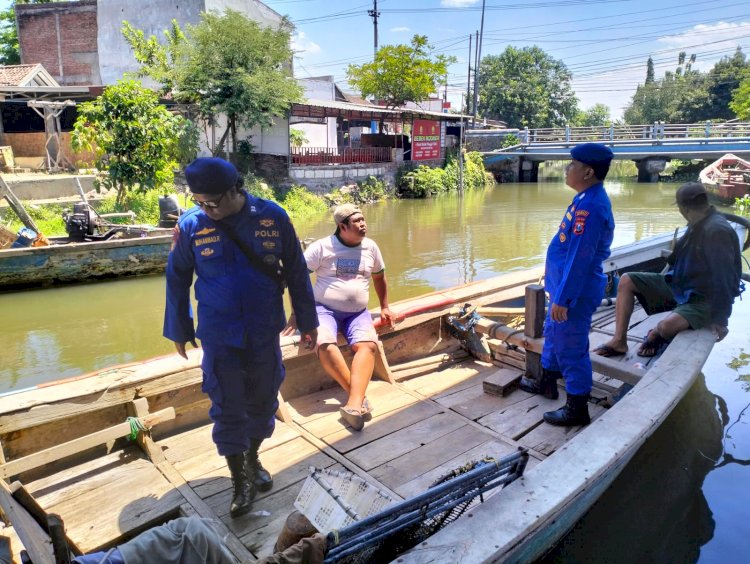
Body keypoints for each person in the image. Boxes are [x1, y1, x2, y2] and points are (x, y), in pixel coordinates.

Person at [164, 157, 318, 518]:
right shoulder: (190, 226)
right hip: (219, 334)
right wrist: (179, 328)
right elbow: (177, 278)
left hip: (265, 329)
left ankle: (252, 458)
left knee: (264, 400)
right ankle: (240, 481)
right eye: (200, 202)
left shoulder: (273, 217)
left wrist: (308, 321)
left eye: (214, 202)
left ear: (237, 188)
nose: (208, 210)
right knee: (227, 404)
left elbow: (296, 270)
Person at [520, 143, 615, 427]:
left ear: (588, 171)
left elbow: (580, 259)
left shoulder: (591, 207)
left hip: (574, 292)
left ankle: (577, 408)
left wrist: (564, 298)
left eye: (572, 164)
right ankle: (547, 382)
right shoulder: (584, 198)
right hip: (562, 288)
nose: (567, 168)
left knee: (572, 348)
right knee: (553, 333)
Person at [594, 181, 743, 358]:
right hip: (679, 284)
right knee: (627, 280)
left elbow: (725, 278)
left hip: (702, 299)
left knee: (666, 327)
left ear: (684, 209)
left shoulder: (717, 231)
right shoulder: (698, 221)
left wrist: (721, 319)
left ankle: (656, 333)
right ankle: (619, 341)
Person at [284, 204, 393, 432]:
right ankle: (358, 398)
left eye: (363, 219)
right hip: (323, 309)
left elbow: (379, 278)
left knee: (368, 346)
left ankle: (353, 404)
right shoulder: (322, 247)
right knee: (324, 344)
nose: (364, 224)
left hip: (358, 313)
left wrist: (385, 307)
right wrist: (297, 314)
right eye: (357, 222)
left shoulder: (371, 247)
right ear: (342, 226)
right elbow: (297, 279)